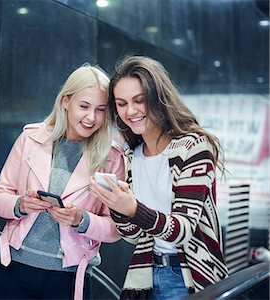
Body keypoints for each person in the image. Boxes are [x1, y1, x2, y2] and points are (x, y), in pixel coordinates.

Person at [90, 56, 228, 299]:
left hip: (188, 276)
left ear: (158, 98)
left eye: (139, 101)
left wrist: (132, 208)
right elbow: (133, 235)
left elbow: (182, 230)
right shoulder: (132, 155)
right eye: (121, 104)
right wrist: (117, 207)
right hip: (145, 273)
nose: (130, 111)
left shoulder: (193, 147)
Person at [0, 63, 125, 300]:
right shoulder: (30, 138)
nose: (91, 117)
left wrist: (82, 220)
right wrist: (20, 204)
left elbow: (116, 228)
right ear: (65, 101)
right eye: (84, 106)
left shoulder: (111, 157)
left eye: (101, 109)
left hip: (68, 278)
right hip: (13, 269)